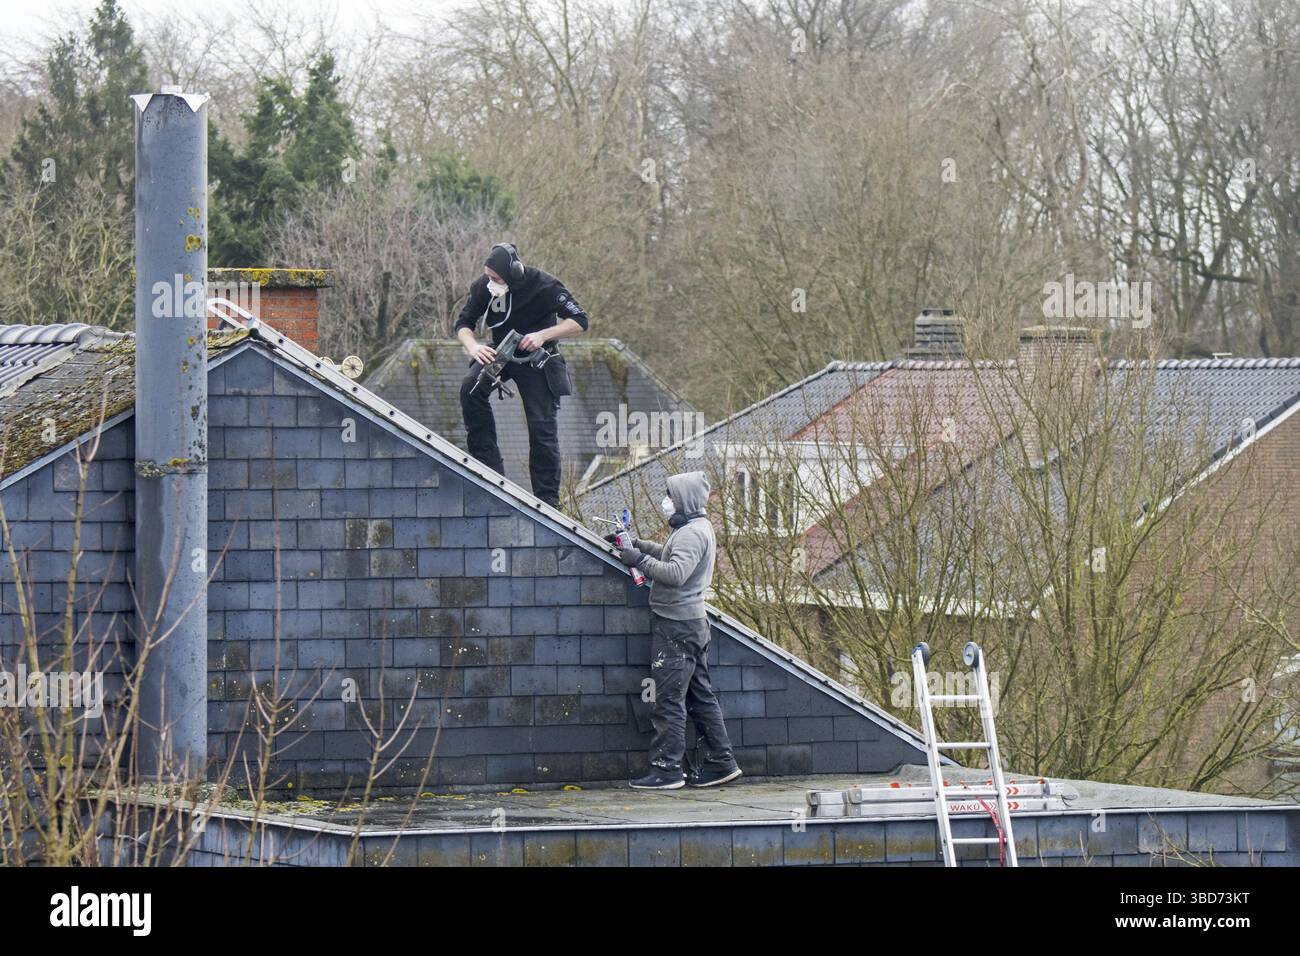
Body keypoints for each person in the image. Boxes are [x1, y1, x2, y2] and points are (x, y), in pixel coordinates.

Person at [614, 472, 742, 790]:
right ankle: (722, 763)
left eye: (670, 494)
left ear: (684, 499)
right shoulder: (698, 528)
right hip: (693, 625)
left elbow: (675, 573)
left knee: (669, 700)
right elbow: (671, 555)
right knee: (701, 696)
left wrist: (638, 559)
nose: (666, 501)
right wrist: (640, 546)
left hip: (676, 627)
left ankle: (667, 770)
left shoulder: (690, 534)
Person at [455, 242, 589, 507]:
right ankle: (488, 470)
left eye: (496, 278)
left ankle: (548, 500)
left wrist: (542, 335)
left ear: (513, 274)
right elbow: (463, 323)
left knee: (541, 426)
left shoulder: (545, 286)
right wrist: (474, 346)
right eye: (488, 277)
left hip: (537, 359)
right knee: (470, 389)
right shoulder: (484, 287)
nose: (491, 282)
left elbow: (580, 321)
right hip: (502, 352)